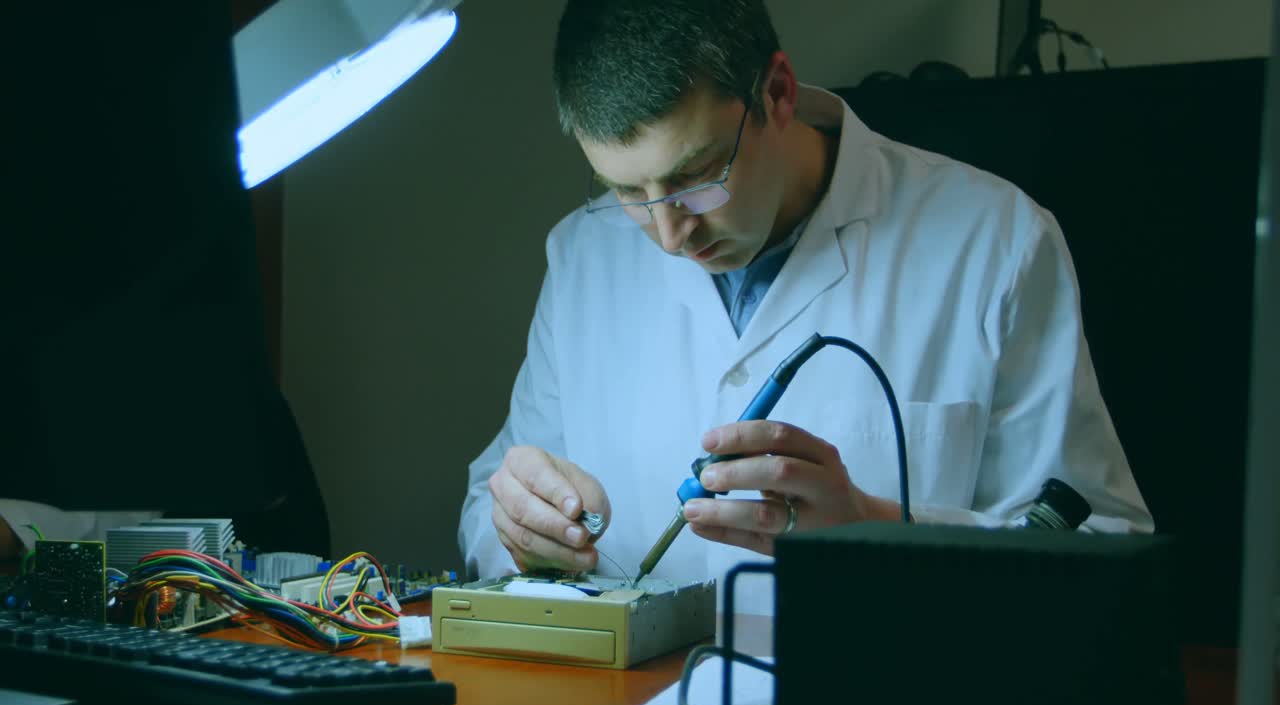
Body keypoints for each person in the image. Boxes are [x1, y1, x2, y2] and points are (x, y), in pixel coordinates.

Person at [459, 0, 1152, 611]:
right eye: (630, 192)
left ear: (778, 92)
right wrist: (516, 526)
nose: (670, 235)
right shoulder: (585, 256)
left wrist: (878, 531)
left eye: (697, 177)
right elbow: (488, 502)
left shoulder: (996, 242)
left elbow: (1106, 555)